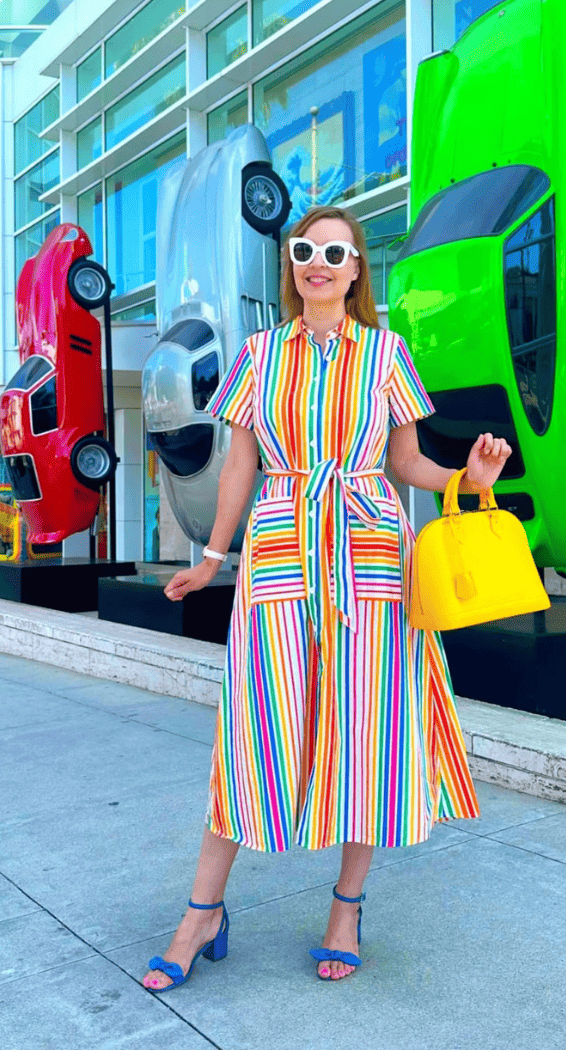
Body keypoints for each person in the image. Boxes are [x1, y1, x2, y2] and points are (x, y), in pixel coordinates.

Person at [142, 205, 511, 990]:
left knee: (364, 737)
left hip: (372, 565)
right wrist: (211, 557)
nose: (318, 263)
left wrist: (466, 481)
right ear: (293, 266)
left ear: (355, 269)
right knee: (251, 734)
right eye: (304, 250)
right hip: (279, 560)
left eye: (334, 252)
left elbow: (406, 462)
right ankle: (202, 911)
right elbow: (238, 465)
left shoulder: (387, 354)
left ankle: (346, 907)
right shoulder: (258, 355)